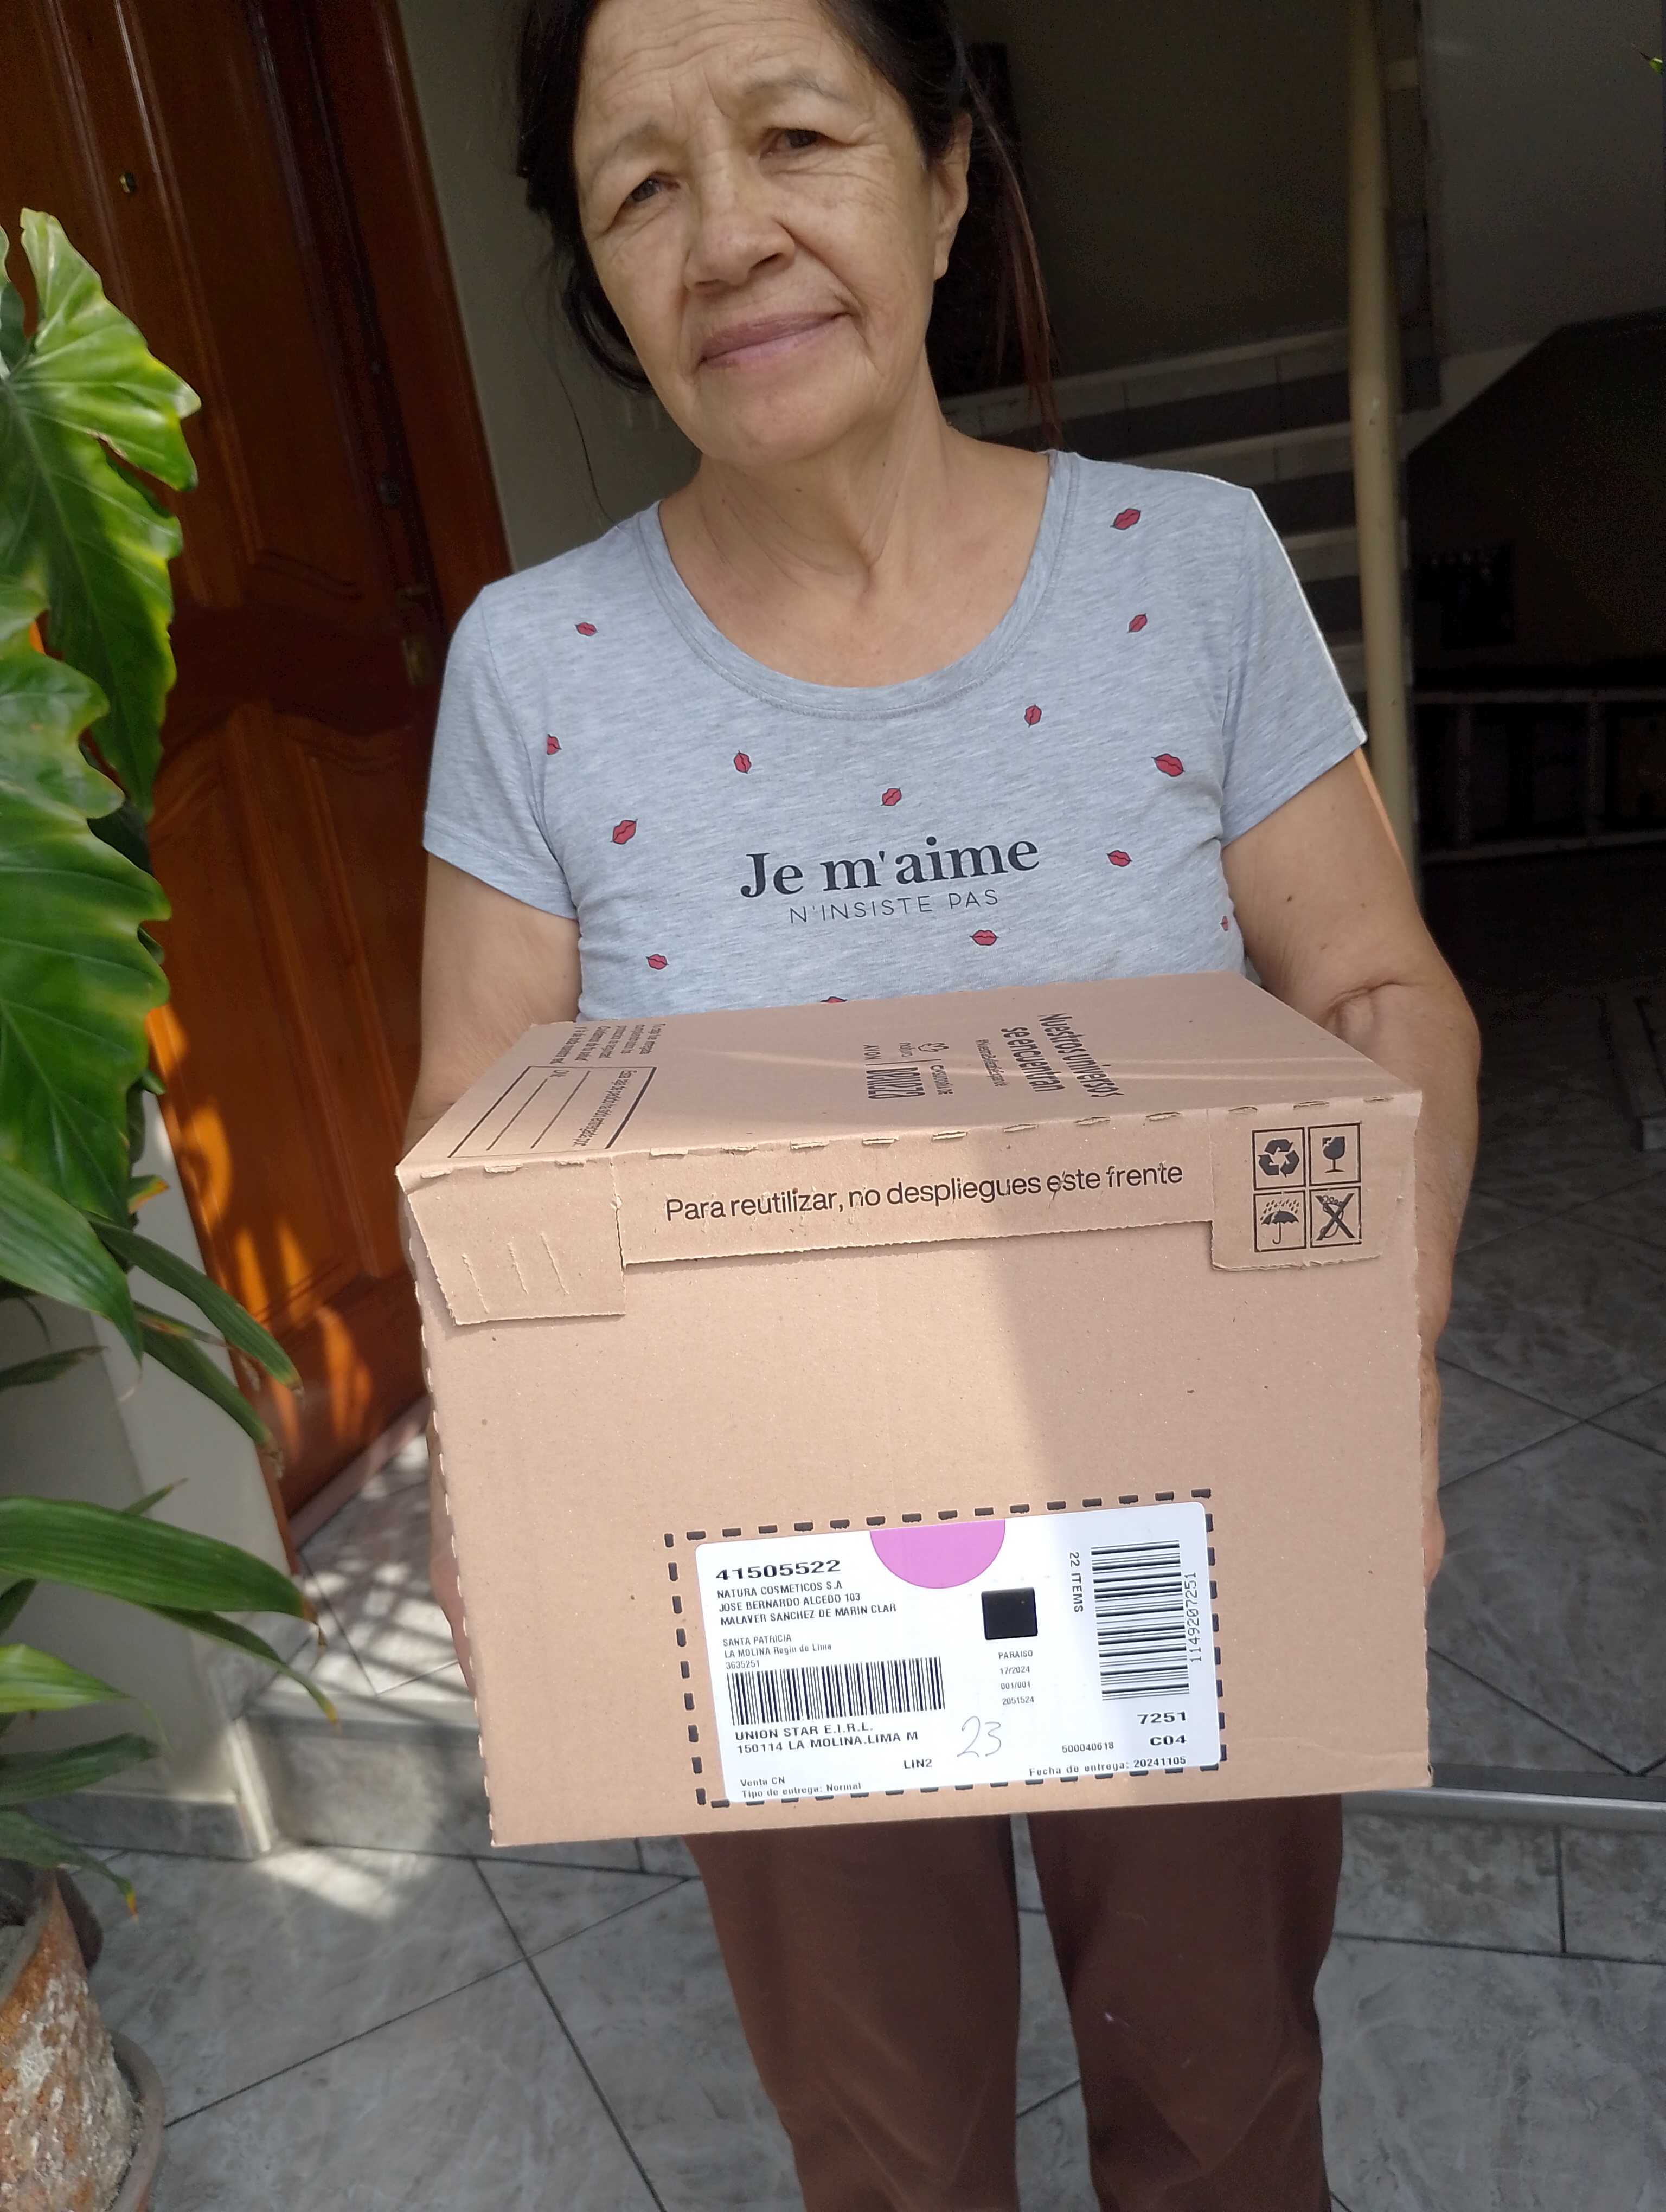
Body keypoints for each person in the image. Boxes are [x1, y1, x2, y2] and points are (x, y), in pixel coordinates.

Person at [405, 2, 1481, 2203]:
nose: (729, 237)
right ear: (596, 267)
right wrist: (493, 1458)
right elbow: (482, 1119)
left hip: (1181, 1496)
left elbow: (1375, 985)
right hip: (771, 1558)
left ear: (949, 172)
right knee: (890, 2146)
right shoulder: (535, 667)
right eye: (642, 185)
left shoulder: (1191, 568)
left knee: (1224, 2102)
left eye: (797, 136)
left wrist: (1379, 1342)